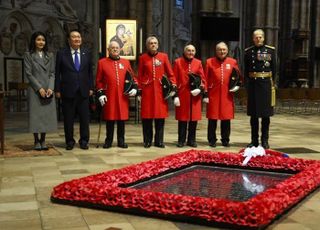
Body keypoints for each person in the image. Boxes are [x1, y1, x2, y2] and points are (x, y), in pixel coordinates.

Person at [55, 29, 94, 150]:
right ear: (68, 40)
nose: (77, 39)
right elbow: (57, 73)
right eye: (74, 37)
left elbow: (90, 72)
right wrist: (57, 89)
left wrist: (91, 87)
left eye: (79, 37)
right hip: (67, 90)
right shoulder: (62, 53)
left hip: (83, 91)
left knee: (84, 118)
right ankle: (70, 141)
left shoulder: (86, 53)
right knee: (68, 118)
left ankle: (84, 141)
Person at [96, 41, 137, 148]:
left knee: (121, 119)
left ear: (120, 49)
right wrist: (100, 93)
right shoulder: (102, 62)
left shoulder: (126, 62)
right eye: (112, 48)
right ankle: (108, 140)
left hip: (122, 96)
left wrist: (134, 88)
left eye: (117, 48)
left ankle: (121, 140)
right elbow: (99, 80)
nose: (115, 49)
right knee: (110, 118)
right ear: (108, 50)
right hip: (109, 95)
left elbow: (132, 77)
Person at [137, 36, 176, 148]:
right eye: (151, 43)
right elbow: (139, 75)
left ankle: (159, 141)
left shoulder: (164, 57)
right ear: (147, 45)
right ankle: (147, 141)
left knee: (160, 117)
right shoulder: (143, 58)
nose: (153, 45)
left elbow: (170, 73)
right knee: (147, 117)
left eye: (155, 43)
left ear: (158, 45)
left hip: (160, 92)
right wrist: (139, 91)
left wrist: (173, 86)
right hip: (147, 91)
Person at [24, 31, 57, 150]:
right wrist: (39, 88)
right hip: (35, 89)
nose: (41, 42)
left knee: (45, 115)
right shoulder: (29, 55)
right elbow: (28, 74)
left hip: (48, 88)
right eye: (38, 40)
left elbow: (52, 73)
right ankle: (36, 140)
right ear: (34, 41)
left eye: (43, 40)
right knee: (36, 115)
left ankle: (43, 140)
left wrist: (50, 88)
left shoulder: (50, 55)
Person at [205, 41, 241, 147]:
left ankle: (225, 139)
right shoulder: (209, 62)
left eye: (224, 49)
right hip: (213, 94)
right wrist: (205, 93)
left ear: (227, 50)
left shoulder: (233, 62)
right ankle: (212, 139)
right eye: (220, 50)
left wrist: (237, 86)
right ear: (216, 51)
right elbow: (205, 78)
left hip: (227, 94)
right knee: (212, 118)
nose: (222, 51)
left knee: (226, 118)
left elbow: (238, 77)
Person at [244, 29, 276, 149]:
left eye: (260, 37)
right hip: (253, 86)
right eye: (256, 37)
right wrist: (248, 85)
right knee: (254, 116)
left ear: (263, 38)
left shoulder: (270, 51)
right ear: (253, 38)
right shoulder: (248, 52)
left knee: (266, 116)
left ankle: (265, 140)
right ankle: (254, 140)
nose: (258, 39)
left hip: (265, 86)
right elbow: (246, 70)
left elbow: (274, 69)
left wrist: (272, 84)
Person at [173, 44, 205, 147]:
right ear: (184, 51)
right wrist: (175, 95)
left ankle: (192, 140)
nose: (190, 52)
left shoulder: (198, 63)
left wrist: (199, 89)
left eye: (192, 51)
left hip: (194, 95)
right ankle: (181, 140)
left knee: (193, 118)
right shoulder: (178, 62)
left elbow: (202, 79)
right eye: (188, 50)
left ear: (195, 52)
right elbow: (174, 79)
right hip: (182, 94)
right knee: (182, 119)